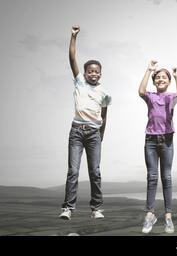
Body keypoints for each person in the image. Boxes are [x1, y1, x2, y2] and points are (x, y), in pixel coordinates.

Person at [59, 25, 112, 220]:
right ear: (84, 73)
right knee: (73, 170)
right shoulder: (79, 82)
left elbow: (104, 116)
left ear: (100, 73)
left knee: (95, 171)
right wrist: (73, 37)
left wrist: (101, 135)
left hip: (94, 134)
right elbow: (72, 58)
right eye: (90, 71)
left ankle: (96, 208)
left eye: (96, 71)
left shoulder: (105, 93)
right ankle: (68, 208)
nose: (93, 74)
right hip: (76, 132)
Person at [138, 60, 177, 234]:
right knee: (152, 177)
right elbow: (140, 91)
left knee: (166, 177)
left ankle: (168, 218)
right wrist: (149, 69)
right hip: (150, 140)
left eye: (164, 77)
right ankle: (150, 215)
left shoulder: (171, 97)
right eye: (157, 77)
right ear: (154, 80)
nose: (160, 79)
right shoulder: (150, 95)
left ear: (169, 81)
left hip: (167, 140)